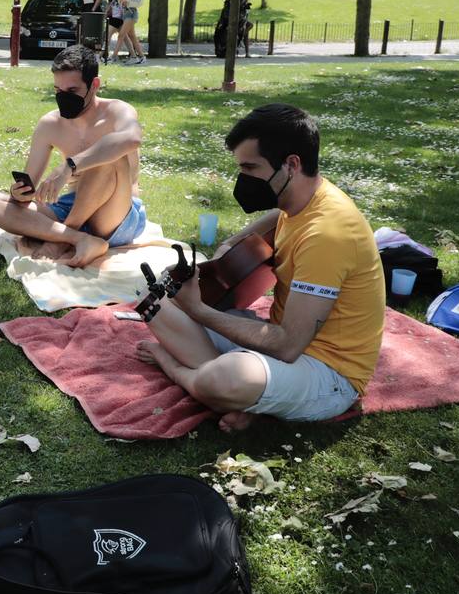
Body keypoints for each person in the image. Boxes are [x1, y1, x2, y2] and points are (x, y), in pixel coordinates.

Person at [135, 104, 385, 432]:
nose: (243, 179)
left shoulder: (328, 233)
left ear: (291, 165)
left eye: (251, 168)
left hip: (329, 374)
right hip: (283, 355)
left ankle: (189, 375)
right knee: (155, 295)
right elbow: (278, 219)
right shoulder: (301, 202)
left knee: (229, 375)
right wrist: (229, 248)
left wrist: (197, 309)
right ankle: (245, 397)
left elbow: (287, 344)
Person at [0, 45, 147, 267]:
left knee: (110, 155)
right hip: (69, 208)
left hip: (116, 215)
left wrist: (69, 166)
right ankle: (78, 238)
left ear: (94, 85)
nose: (63, 98)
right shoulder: (50, 124)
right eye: (57, 90)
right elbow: (29, 185)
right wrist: (19, 194)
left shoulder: (117, 111)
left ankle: (61, 240)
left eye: (71, 91)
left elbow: (132, 138)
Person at [111, 0, 146, 65]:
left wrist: (128, 1)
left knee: (121, 35)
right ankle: (141, 57)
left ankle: (113, 57)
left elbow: (139, 0)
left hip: (131, 13)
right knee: (132, 37)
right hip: (124, 13)